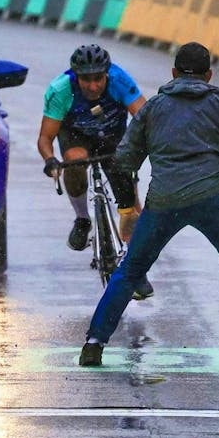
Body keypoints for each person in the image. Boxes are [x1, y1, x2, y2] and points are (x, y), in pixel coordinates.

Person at [78, 42, 219, 370]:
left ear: (173, 73)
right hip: (213, 200)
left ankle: (94, 344)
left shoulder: (153, 109)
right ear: (209, 75)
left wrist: (128, 208)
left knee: (130, 271)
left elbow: (122, 162)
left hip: (163, 203)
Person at [37, 44, 154, 299]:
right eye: (86, 80)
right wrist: (50, 160)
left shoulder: (120, 80)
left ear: (107, 74)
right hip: (76, 137)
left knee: (131, 206)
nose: (92, 86)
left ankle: (136, 268)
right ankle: (82, 219)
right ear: (75, 76)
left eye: (98, 79)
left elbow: (146, 118)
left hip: (113, 137)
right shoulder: (61, 89)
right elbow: (45, 138)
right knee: (74, 162)